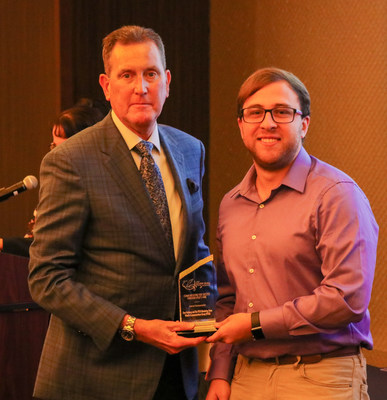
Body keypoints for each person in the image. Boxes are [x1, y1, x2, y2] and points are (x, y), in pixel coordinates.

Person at [28, 25, 210, 400]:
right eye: (126, 75)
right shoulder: (70, 160)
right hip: (96, 377)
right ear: (106, 86)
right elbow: (47, 278)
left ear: (167, 81)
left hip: (177, 372)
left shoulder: (191, 150)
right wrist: (135, 327)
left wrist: (210, 325)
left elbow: (194, 253)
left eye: (151, 74)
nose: (141, 87)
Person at [205, 67, 378, 400]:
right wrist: (220, 373)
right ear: (241, 126)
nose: (268, 123)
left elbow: (347, 299)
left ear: (304, 124)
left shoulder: (337, 194)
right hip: (245, 378)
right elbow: (227, 297)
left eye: (282, 112)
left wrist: (255, 324)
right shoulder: (231, 204)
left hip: (320, 377)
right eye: (255, 113)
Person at [0, 99, 106, 258]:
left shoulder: (95, 191)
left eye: (61, 148)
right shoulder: (58, 186)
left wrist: (3, 245)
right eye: (53, 146)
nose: (52, 156)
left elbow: (56, 246)